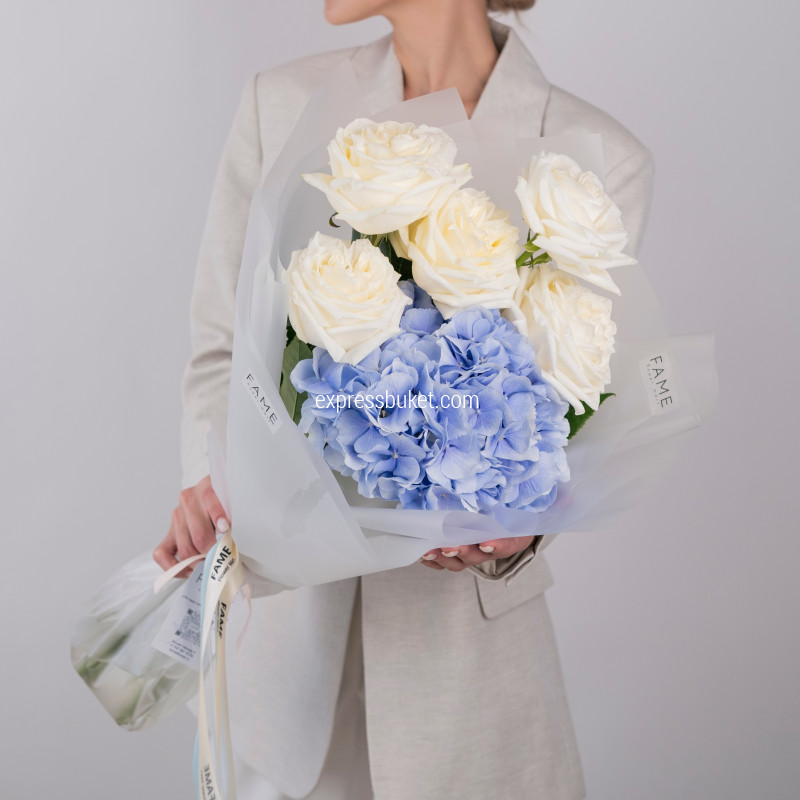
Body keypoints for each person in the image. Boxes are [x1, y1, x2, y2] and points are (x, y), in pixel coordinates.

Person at [154, 1, 654, 798]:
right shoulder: (278, 104)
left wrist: (522, 529)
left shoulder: (595, 159)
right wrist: (212, 486)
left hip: (464, 680)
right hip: (280, 681)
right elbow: (219, 345)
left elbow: (572, 414)